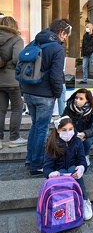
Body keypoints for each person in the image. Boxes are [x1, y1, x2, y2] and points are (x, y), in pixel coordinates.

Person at [22, 19, 68, 176]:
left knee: (35, 126)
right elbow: (56, 76)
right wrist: (56, 94)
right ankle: (36, 165)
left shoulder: (34, 42)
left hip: (28, 91)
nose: (66, 38)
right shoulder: (57, 48)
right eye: (66, 35)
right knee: (41, 129)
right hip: (44, 94)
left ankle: (30, 159)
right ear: (61, 33)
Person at [43, 116, 93, 221]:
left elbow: (81, 159)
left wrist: (81, 168)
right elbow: (47, 167)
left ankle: (84, 200)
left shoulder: (77, 141)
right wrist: (51, 174)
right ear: (58, 130)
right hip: (59, 174)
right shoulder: (52, 143)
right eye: (64, 130)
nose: (68, 132)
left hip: (72, 171)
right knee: (62, 171)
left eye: (71, 129)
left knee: (73, 169)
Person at [0, 16, 27, 149]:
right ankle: (14, 138)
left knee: (1, 110)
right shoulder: (16, 39)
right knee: (17, 108)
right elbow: (17, 59)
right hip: (12, 80)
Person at [62, 88, 93, 166]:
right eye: (76, 98)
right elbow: (62, 122)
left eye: (81, 99)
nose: (77, 100)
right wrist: (73, 133)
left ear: (87, 100)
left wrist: (84, 134)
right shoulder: (69, 108)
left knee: (87, 141)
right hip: (71, 133)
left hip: (86, 136)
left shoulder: (92, 111)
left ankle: (85, 155)